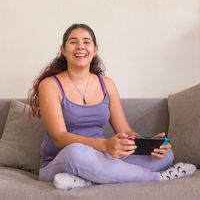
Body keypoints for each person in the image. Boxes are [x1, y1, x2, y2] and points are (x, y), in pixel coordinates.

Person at [27, 23, 196, 190]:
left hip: (104, 157)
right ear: (63, 49)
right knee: (76, 151)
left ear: (95, 49)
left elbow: (125, 131)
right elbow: (59, 137)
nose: (80, 46)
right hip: (63, 160)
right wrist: (105, 145)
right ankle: (156, 178)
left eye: (86, 42)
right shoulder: (50, 85)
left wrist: (149, 144)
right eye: (73, 42)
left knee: (165, 156)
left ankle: (88, 180)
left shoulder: (107, 84)